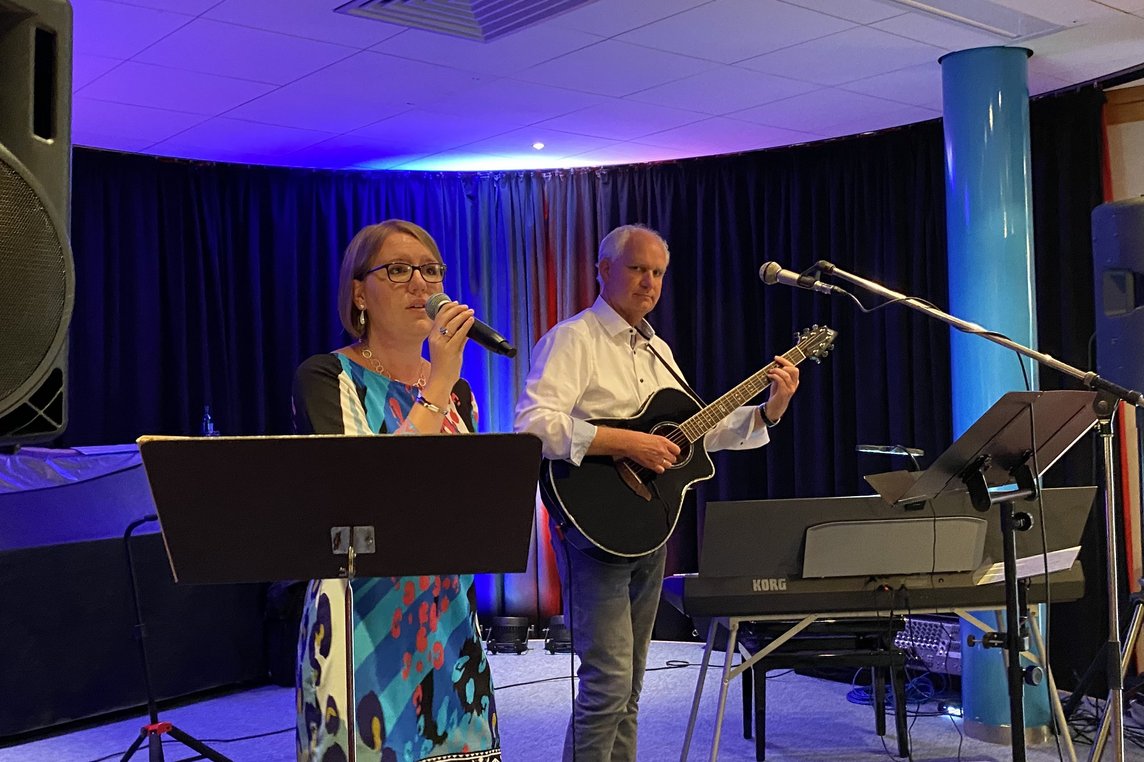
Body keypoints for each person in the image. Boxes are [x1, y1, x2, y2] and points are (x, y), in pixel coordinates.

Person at [513, 224, 800, 762]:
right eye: (638, 269)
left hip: (649, 527)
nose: (649, 282)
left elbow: (692, 429)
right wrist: (629, 443)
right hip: (592, 527)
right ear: (603, 271)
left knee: (632, 687)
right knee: (607, 685)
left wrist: (769, 410)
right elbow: (533, 426)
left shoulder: (657, 348)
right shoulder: (573, 339)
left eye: (658, 273)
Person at [292, 219, 501, 762]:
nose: (421, 285)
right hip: (363, 618)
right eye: (399, 270)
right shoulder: (328, 377)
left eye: (431, 271)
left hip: (449, 617)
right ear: (359, 291)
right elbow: (366, 494)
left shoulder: (461, 392)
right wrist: (437, 386)